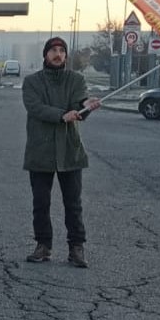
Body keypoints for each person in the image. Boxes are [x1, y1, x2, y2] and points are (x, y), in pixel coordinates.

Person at [22, 37, 101, 268]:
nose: (58, 54)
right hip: (41, 150)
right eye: (53, 50)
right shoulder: (32, 82)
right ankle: (43, 245)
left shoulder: (75, 79)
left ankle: (76, 248)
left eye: (61, 51)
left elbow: (80, 102)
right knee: (41, 203)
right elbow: (35, 107)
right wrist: (61, 115)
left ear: (66, 56)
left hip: (70, 150)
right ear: (45, 55)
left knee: (73, 203)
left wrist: (88, 104)